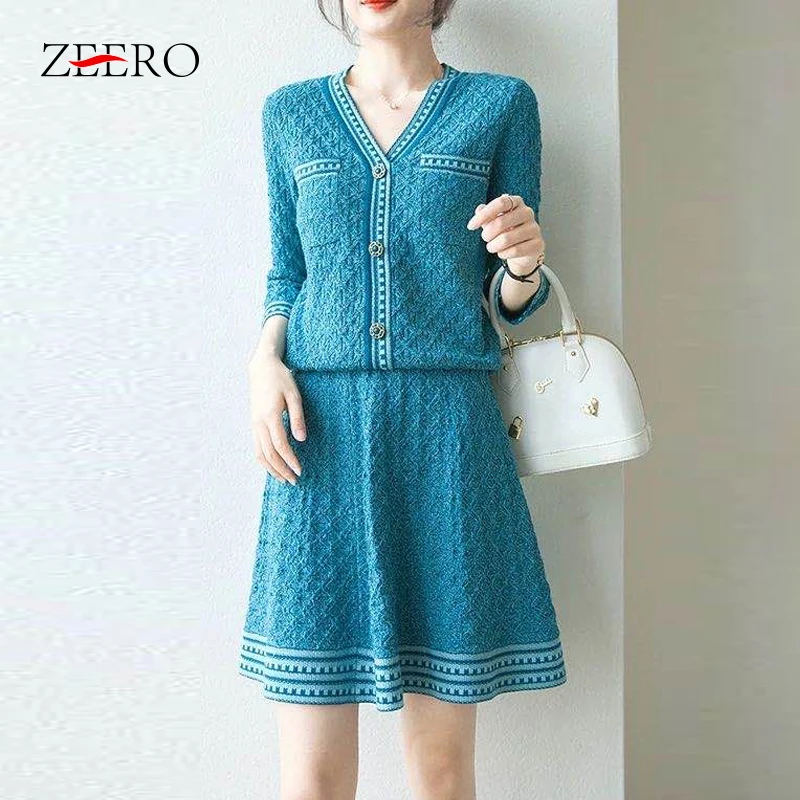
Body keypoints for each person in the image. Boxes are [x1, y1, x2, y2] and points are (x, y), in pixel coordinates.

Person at [239, 1, 566, 797]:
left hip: (448, 435)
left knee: (442, 768)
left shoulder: (500, 104)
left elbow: (507, 297)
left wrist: (525, 265)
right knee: (311, 774)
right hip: (317, 435)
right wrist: (263, 362)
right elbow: (288, 268)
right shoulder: (290, 112)